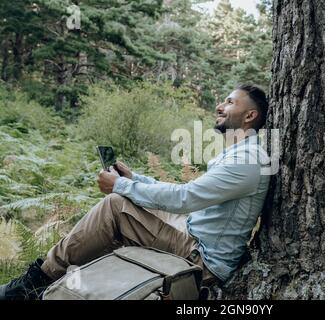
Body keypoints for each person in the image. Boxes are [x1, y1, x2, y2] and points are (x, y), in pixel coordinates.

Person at [0, 84, 271, 300]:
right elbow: (185, 192)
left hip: (202, 256)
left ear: (250, 116)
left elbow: (184, 198)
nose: (220, 106)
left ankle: (35, 283)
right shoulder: (240, 154)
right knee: (126, 199)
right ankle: (69, 282)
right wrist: (134, 179)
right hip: (193, 231)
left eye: (230, 102)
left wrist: (119, 185)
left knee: (116, 206)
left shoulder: (246, 161)